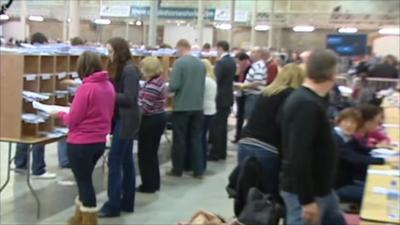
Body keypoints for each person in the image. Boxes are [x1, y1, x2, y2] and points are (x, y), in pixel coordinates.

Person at [280, 49, 347, 225]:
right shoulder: (306, 105)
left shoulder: (314, 100)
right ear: (332, 74)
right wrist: (307, 200)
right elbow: (299, 155)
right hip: (306, 192)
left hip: (322, 188)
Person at [55, 51, 115, 225]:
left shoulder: (86, 88)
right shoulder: (108, 86)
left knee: (84, 183)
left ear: (82, 67)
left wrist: (59, 113)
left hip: (81, 143)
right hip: (99, 141)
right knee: (85, 179)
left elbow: (73, 120)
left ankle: (89, 220)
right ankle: (79, 217)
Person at [239, 64, 305, 200]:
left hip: (246, 141)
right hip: (268, 146)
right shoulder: (291, 96)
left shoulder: (267, 92)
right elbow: (283, 125)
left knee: (247, 189)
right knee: (269, 195)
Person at [100, 37, 140, 217]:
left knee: (114, 161)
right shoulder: (120, 68)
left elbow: (130, 98)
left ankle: (113, 205)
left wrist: (107, 94)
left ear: (119, 51)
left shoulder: (130, 70)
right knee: (125, 161)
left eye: (111, 51)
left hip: (126, 120)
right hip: (120, 119)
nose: (109, 55)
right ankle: (127, 202)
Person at [333, 107, 398, 204]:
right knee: (377, 195)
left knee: (383, 187)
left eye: (353, 123)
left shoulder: (348, 136)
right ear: (339, 121)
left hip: (348, 180)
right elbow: (354, 158)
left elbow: (363, 150)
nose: (349, 125)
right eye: (346, 121)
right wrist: (384, 160)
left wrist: (379, 150)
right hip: (337, 186)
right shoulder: (334, 139)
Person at [168, 39, 206, 178]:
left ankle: (177, 169)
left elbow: (174, 85)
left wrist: (168, 87)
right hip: (198, 106)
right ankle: (198, 170)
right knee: (196, 139)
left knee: (179, 139)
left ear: (181, 47)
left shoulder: (179, 63)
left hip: (182, 106)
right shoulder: (201, 64)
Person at [137, 57, 167, 193]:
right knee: (152, 154)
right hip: (158, 118)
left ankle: (147, 185)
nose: (141, 70)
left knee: (145, 154)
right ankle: (154, 182)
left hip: (150, 121)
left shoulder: (152, 85)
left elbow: (145, 108)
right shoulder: (159, 81)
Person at [208, 41, 236, 161]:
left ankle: (215, 153)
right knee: (223, 128)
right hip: (227, 98)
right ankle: (222, 152)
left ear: (220, 48)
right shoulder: (232, 61)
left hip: (219, 99)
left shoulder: (221, 63)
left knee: (216, 128)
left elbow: (216, 79)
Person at [240, 48, 267, 120]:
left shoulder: (259, 66)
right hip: (251, 95)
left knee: (250, 119)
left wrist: (242, 86)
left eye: (253, 52)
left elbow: (256, 83)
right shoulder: (255, 65)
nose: (251, 55)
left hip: (254, 96)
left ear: (259, 54)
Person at [232, 52, 252, 143]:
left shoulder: (249, 67)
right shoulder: (240, 68)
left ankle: (244, 135)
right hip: (239, 92)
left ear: (244, 60)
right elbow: (235, 79)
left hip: (246, 94)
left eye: (238, 61)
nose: (237, 64)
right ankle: (238, 135)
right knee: (239, 116)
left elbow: (247, 82)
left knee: (245, 115)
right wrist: (237, 73)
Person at [201, 59, 217, 169]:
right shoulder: (212, 80)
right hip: (211, 110)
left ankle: (201, 159)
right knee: (204, 136)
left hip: (204, 110)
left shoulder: (204, 80)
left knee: (200, 137)